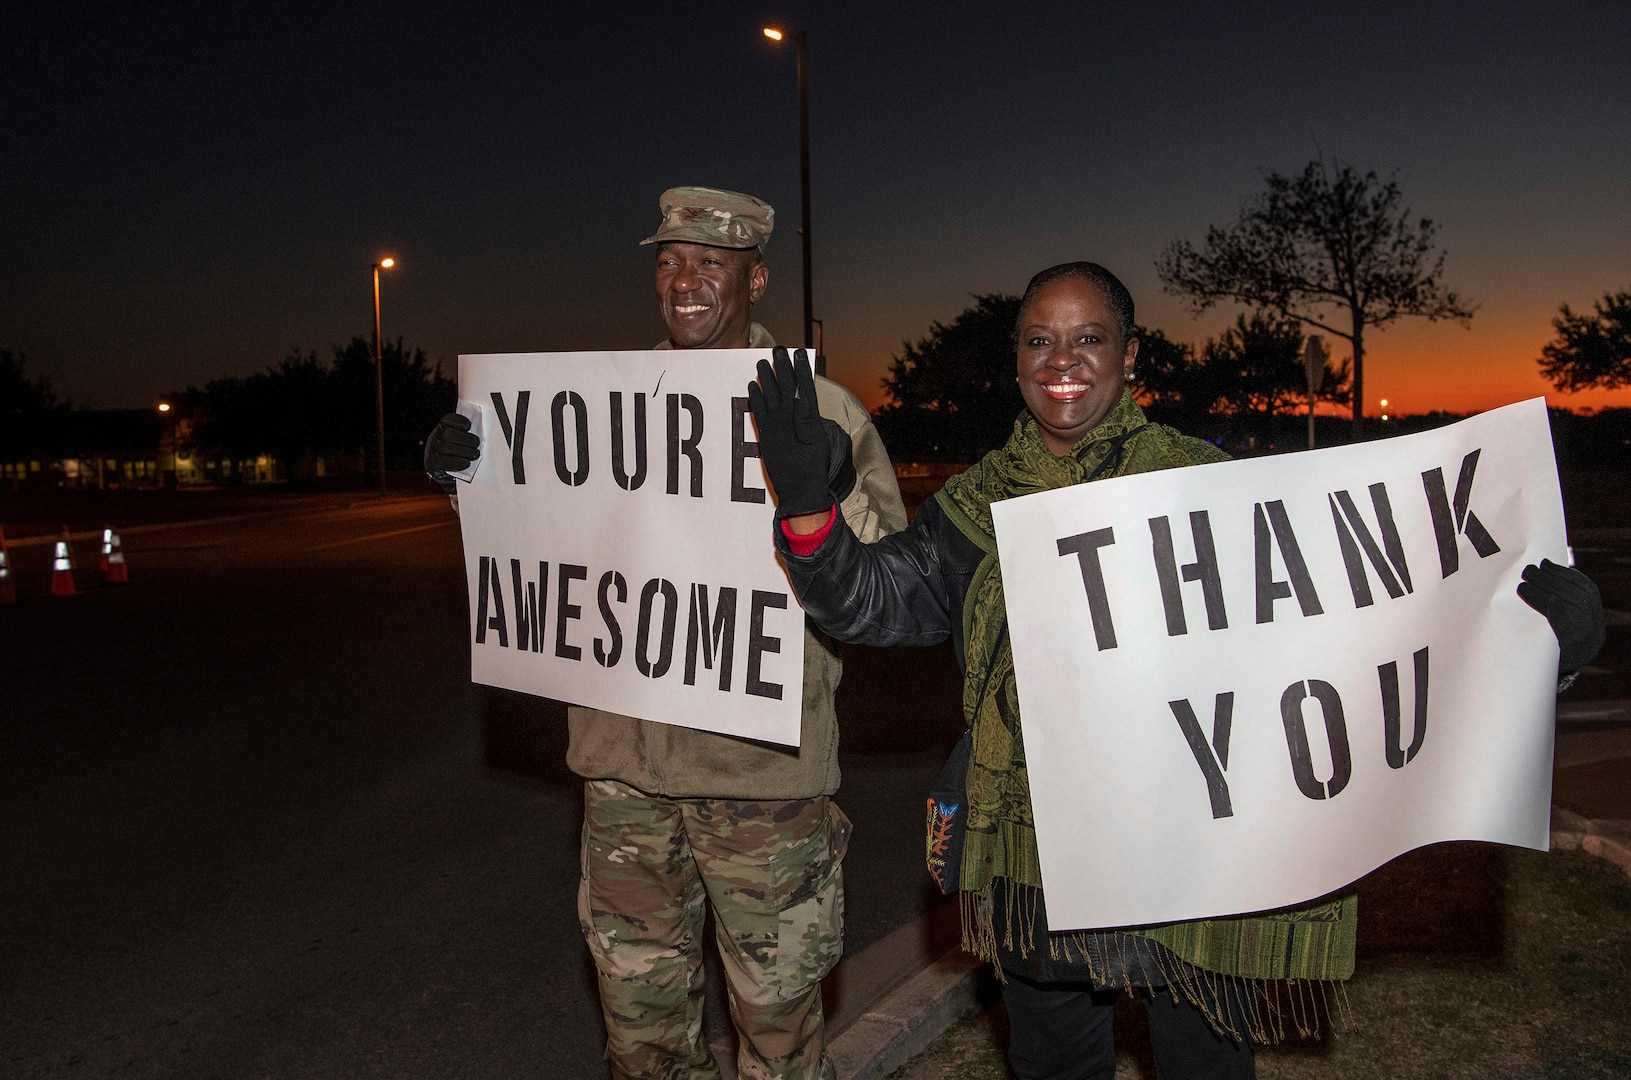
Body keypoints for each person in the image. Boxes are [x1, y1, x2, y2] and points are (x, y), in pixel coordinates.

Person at [747, 261, 1607, 1080]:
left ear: (1130, 357)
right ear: (1015, 363)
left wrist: (1530, 648)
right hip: (1035, 852)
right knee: (1052, 1064)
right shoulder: (978, 506)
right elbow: (868, 602)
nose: (1062, 362)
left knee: (1204, 1064)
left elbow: (1358, 631)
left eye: (1088, 339)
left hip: (1195, 855)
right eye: (1038, 341)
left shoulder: (1207, 486)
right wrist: (808, 511)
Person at [423, 187, 906, 1079]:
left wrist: (825, 490)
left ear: (755, 277)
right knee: (640, 1031)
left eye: (709, 265)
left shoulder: (824, 412)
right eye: (669, 261)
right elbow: (549, 548)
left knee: (778, 1036)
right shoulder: (596, 409)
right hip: (623, 780)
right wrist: (479, 481)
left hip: (760, 784)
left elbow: (882, 593)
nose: (685, 281)